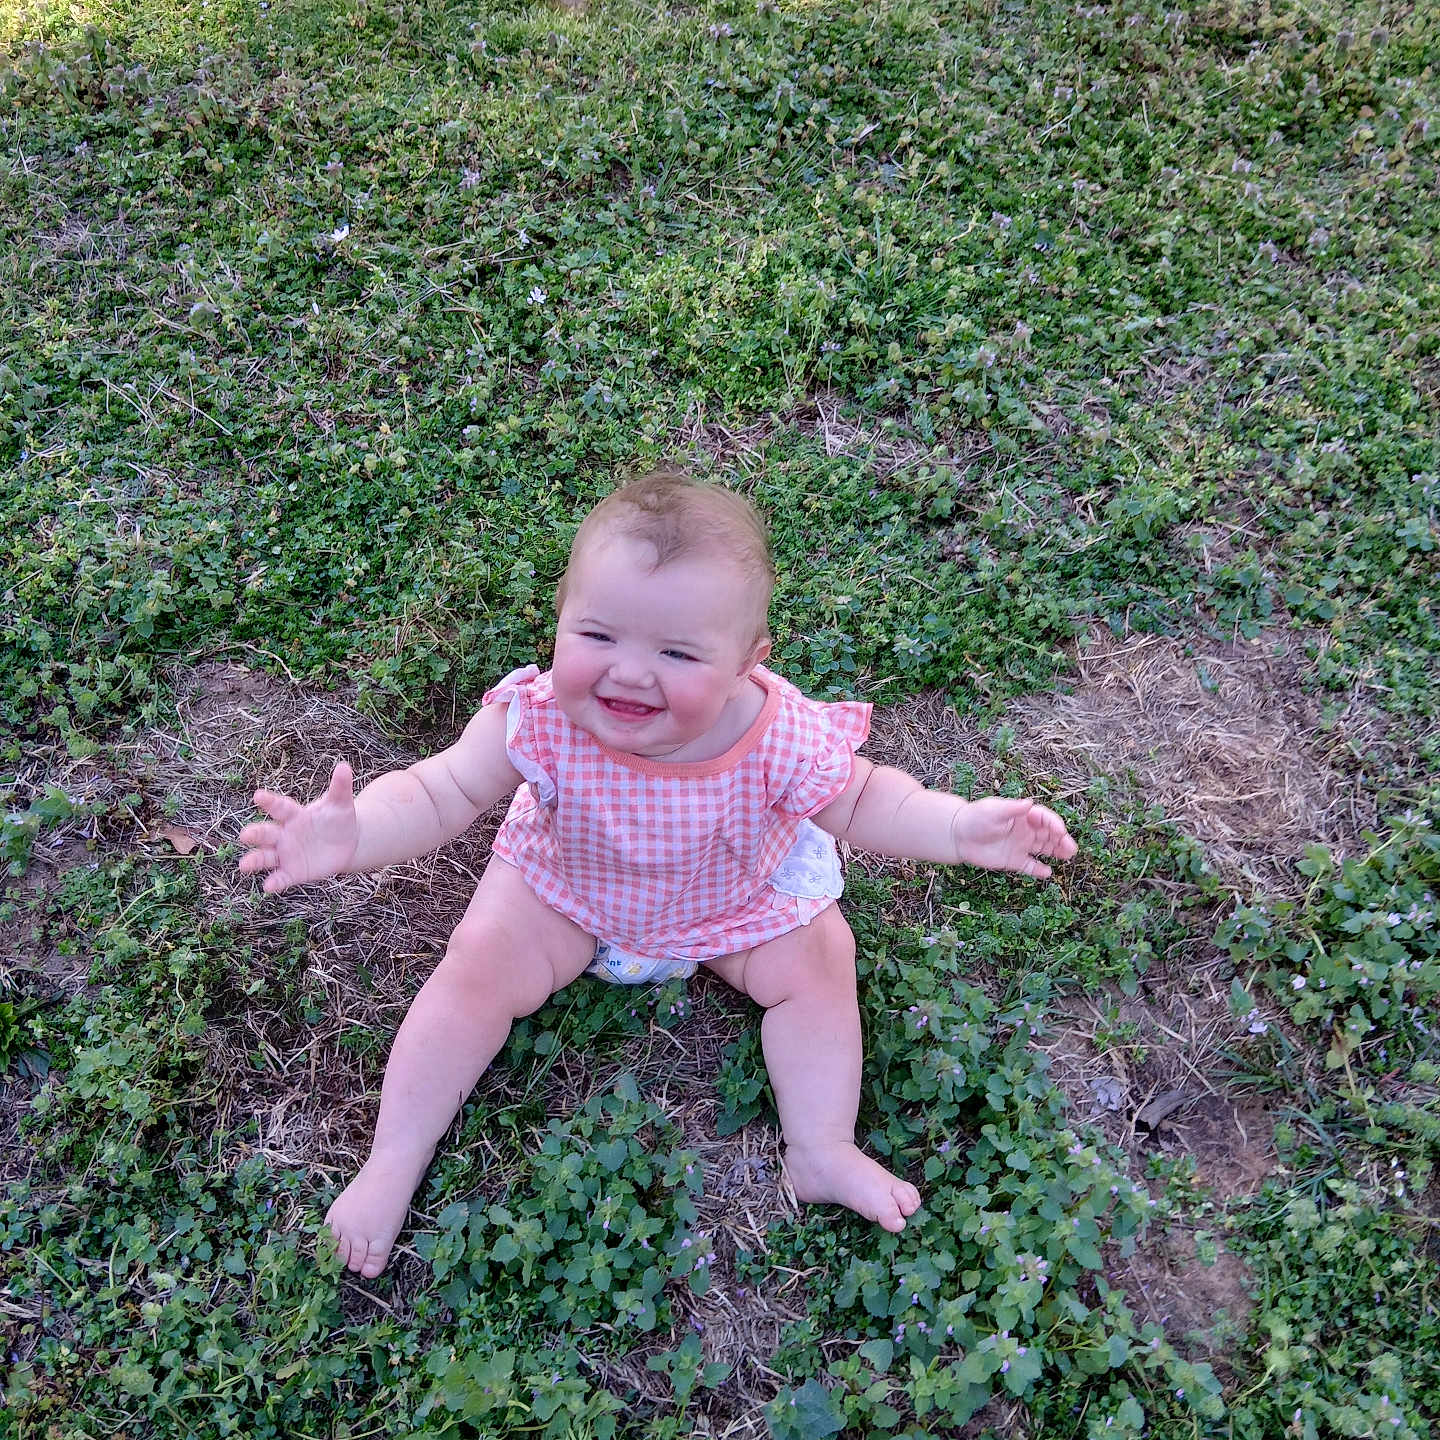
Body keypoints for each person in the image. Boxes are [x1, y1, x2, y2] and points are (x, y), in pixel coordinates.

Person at [237, 466, 1076, 1278]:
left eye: (677, 653)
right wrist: (353, 838)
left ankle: (822, 1148)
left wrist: (960, 827)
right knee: (473, 971)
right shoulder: (538, 717)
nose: (629, 672)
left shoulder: (776, 734)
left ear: (749, 662)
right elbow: (438, 791)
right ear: (560, 620)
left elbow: (863, 802)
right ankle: (393, 1158)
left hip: (735, 899)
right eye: (596, 636)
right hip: (567, 887)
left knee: (822, 966)